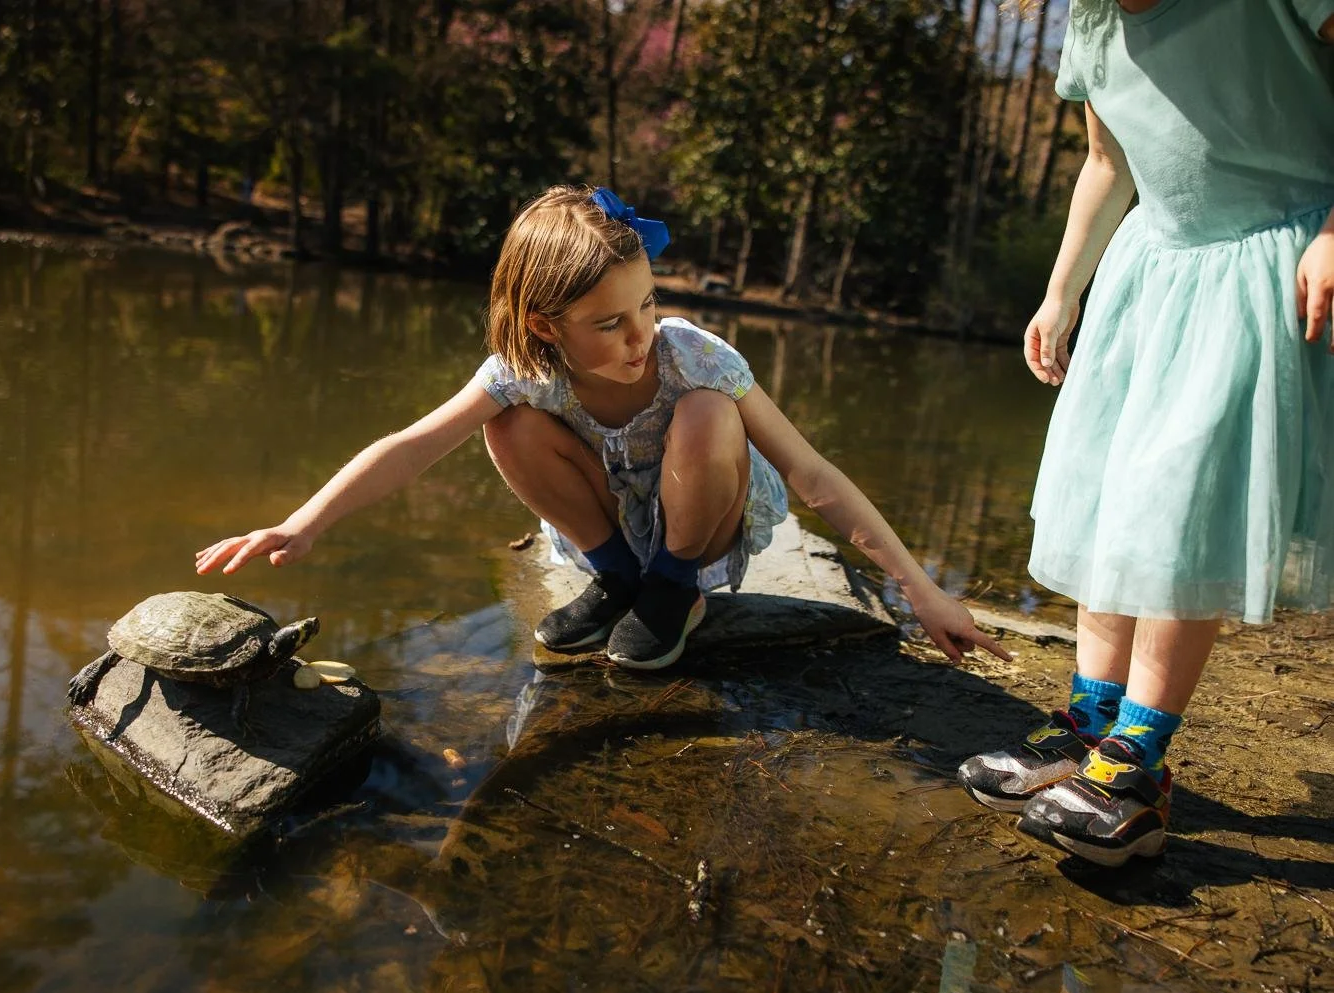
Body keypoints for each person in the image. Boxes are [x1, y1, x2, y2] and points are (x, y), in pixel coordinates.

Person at [195, 184, 1010, 671]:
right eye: (609, 322)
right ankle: (618, 575)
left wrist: (920, 589)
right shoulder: (525, 366)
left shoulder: (692, 357)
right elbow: (413, 445)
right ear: (544, 326)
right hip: (614, 517)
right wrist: (305, 522)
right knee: (505, 425)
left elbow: (814, 476)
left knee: (702, 411)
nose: (639, 336)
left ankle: (672, 590)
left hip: (704, 514)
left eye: (647, 304)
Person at [959, 0, 1334, 867]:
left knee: (1177, 501)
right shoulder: (1092, 25)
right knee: (1109, 497)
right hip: (1151, 274)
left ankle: (1135, 764)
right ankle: (1090, 723)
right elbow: (1103, 160)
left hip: (1263, 267)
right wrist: (1062, 290)